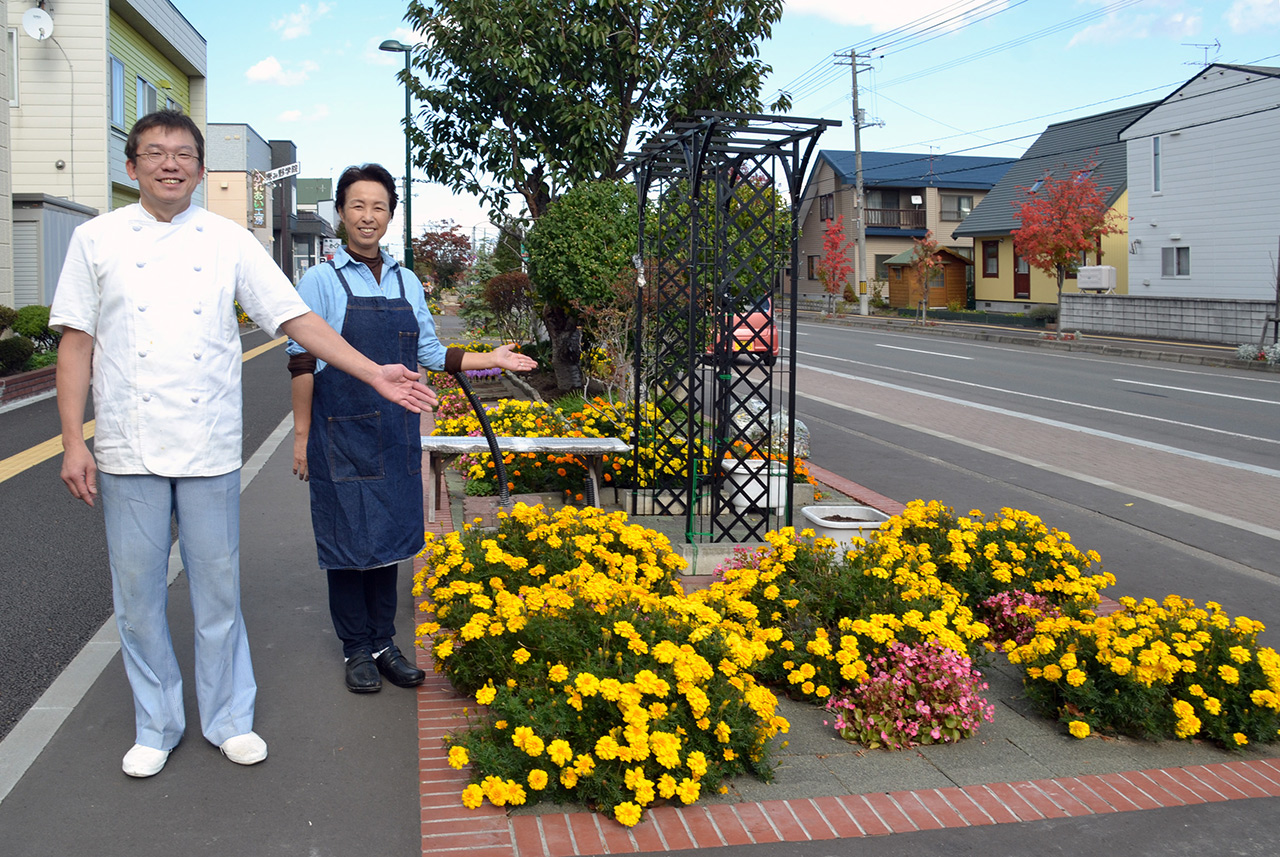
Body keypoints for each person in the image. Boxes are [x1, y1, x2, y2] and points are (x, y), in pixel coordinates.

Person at [51, 112, 436, 779]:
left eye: (183, 155)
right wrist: (70, 441)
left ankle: (229, 717)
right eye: (155, 153)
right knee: (137, 597)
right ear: (131, 164)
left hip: (208, 444)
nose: (169, 165)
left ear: (201, 170)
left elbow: (297, 320)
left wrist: (375, 370)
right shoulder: (95, 238)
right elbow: (76, 344)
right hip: (124, 446)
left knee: (219, 592)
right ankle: (157, 722)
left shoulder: (227, 239)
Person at [287, 163, 534, 694]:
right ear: (340, 213)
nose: (368, 216)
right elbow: (302, 361)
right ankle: (356, 647)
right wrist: (302, 436)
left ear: (391, 214)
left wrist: (489, 357)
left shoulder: (405, 280)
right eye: (357, 205)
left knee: (389, 545)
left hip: (394, 433)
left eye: (379, 206)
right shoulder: (321, 280)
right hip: (340, 431)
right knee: (348, 544)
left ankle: (384, 642)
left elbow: (428, 351)